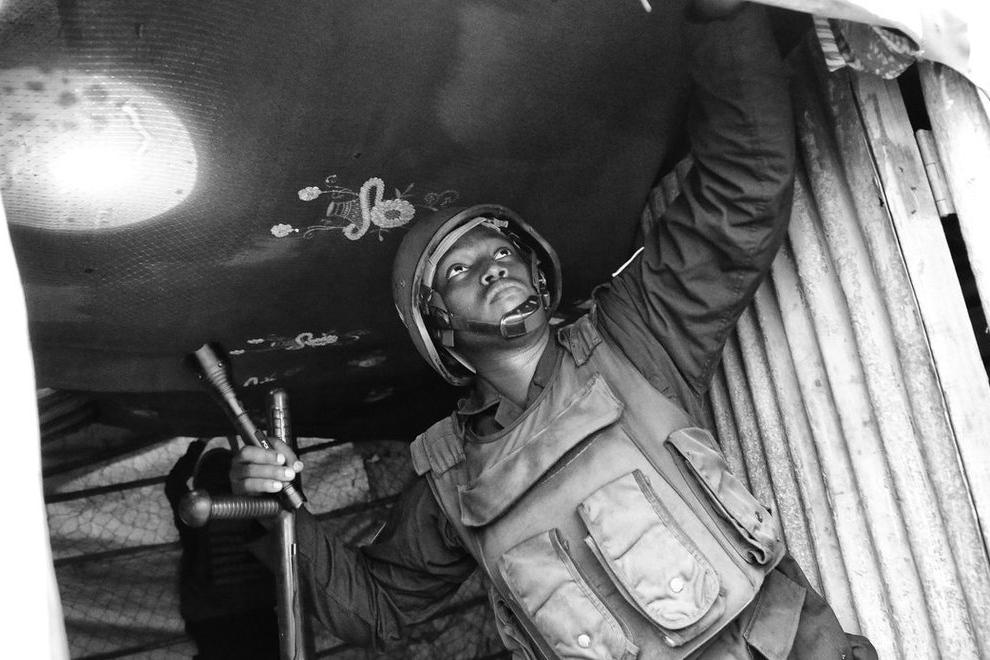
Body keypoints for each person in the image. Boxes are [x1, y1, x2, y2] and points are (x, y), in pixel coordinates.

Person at [231, 2, 878, 658]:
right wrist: (277, 509)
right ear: (439, 328)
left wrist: (721, 16)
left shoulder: (635, 337)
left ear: (540, 279)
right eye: (459, 270)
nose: (492, 267)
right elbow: (377, 611)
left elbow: (743, 190)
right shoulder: (452, 478)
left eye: (502, 251)